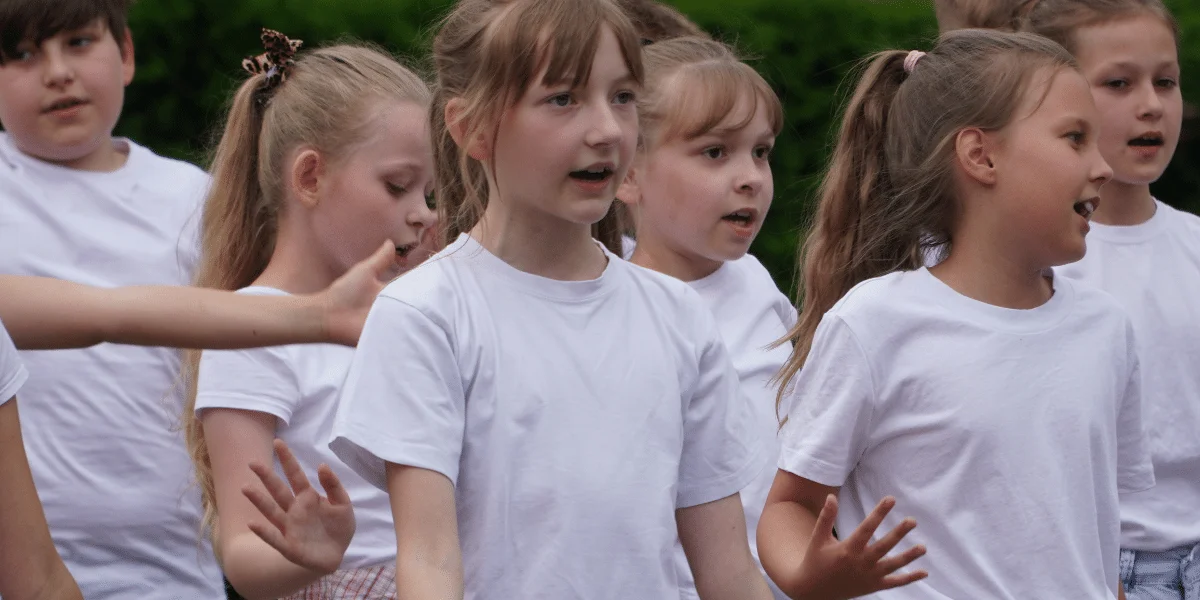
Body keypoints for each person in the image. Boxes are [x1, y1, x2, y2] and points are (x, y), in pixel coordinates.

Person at [318, 1, 774, 598]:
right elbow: (429, 563)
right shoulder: (427, 313)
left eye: (623, 97)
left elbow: (731, 571)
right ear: (472, 128)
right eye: (563, 98)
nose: (607, 129)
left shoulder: (679, 316)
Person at [757, 29, 1151, 600]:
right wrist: (810, 574)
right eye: (1074, 138)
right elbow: (790, 505)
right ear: (980, 154)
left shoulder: (1108, 329)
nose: (1103, 167)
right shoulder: (876, 323)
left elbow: (1090, 540)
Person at [186, 35, 436, 600]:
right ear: (310, 177)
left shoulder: (410, 310)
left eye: (430, 192)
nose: (423, 213)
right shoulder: (250, 328)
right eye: (398, 186)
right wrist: (309, 557)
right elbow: (245, 553)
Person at [0, 0, 222, 594]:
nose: (56, 72)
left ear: (124, 54)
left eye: (77, 42)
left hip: (173, 564)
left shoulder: (194, 198)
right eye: (19, 54)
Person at [1022, 2, 1200, 598]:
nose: (1151, 103)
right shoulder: (1028, 262)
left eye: (1166, 81)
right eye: (1119, 83)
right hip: (1088, 565)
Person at [616, 35, 791, 599]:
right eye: (715, 152)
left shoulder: (755, 280)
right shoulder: (617, 310)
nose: (750, 177)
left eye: (761, 152)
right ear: (628, 174)